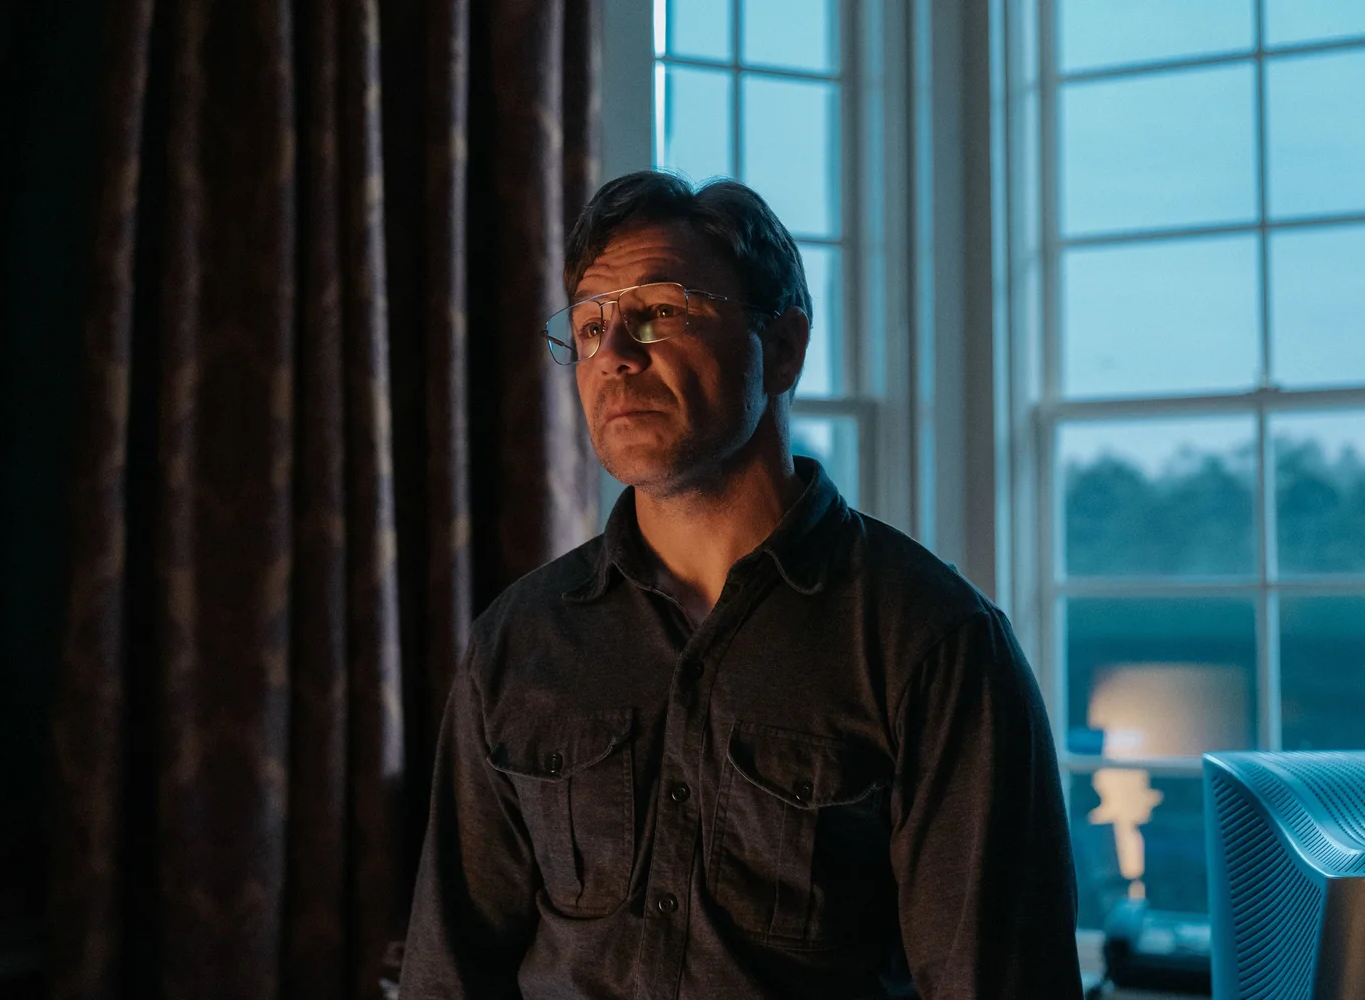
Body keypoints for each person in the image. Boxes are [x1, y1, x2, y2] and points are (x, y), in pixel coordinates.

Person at [398, 171, 1082, 999]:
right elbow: (448, 975)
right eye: (589, 326)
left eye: (660, 311)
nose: (614, 356)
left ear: (782, 347)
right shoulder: (520, 640)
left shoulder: (935, 644)